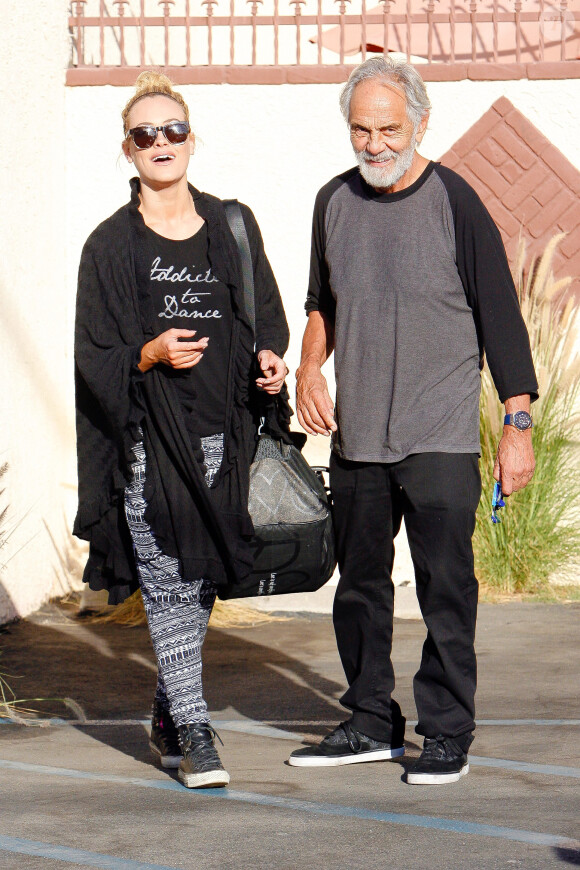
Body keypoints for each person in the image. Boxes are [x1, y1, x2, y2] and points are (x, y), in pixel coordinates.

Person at [289, 57, 538, 784]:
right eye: (360, 129)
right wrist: (310, 367)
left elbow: (501, 318)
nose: (373, 144)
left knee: (445, 588)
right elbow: (319, 303)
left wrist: (517, 428)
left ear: (421, 123)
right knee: (359, 588)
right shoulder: (332, 201)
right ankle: (370, 721)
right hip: (360, 436)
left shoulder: (455, 202)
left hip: (440, 433)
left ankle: (447, 730)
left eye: (388, 129)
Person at [74, 72, 290, 789]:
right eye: (145, 133)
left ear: (191, 140)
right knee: (168, 583)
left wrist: (267, 361)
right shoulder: (110, 246)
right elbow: (94, 354)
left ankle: (169, 708)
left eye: (173, 130)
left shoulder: (233, 224)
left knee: (198, 586)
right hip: (148, 441)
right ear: (128, 149)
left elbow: (268, 320)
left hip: (220, 437)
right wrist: (149, 353)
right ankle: (195, 729)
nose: (161, 142)